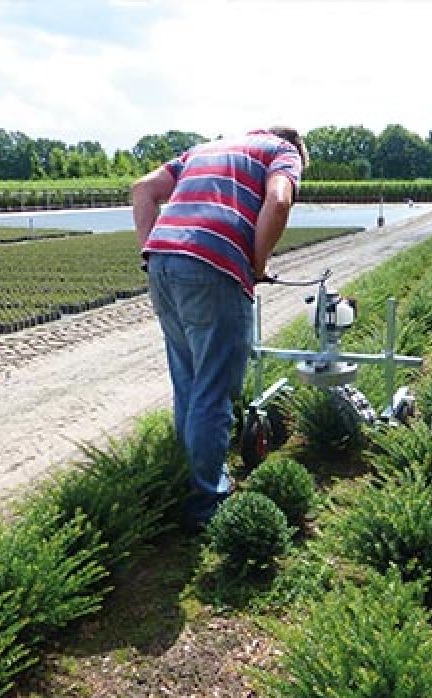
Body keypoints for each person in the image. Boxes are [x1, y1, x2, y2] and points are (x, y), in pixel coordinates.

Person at [132, 127, 308, 529]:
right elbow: (278, 201)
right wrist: (257, 265)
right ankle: (207, 503)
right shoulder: (284, 151)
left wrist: (152, 251)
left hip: (162, 263)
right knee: (214, 389)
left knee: (190, 384)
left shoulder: (205, 148)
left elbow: (143, 189)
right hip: (213, 267)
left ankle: (189, 483)